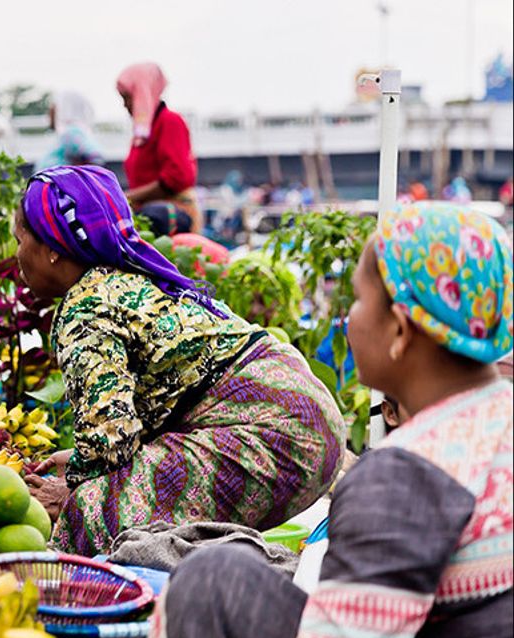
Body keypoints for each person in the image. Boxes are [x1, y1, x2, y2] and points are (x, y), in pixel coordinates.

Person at [142, 202, 514, 638]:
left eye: (358, 301)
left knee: (204, 588)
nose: (350, 320)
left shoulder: (406, 476)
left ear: (399, 330)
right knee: (219, 575)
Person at [17, 165, 344, 556]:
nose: (18, 255)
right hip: (305, 422)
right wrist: (76, 461)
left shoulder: (85, 306)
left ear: (52, 247)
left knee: (92, 513)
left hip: (274, 435)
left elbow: (109, 446)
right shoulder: (131, 278)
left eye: (19, 240)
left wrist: (69, 488)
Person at [116, 62, 201, 236]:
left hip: (169, 221)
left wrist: (127, 197)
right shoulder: (143, 134)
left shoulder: (170, 121)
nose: (124, 105)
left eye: (127, 97)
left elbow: (175, 178)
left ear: (142, 93)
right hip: (149, 218)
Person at [34, 90, 102, 172]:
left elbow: (95, 157)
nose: (49, 115)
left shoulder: (71, 133)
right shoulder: (65, 135)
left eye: (53, 110)